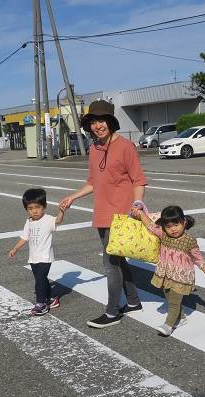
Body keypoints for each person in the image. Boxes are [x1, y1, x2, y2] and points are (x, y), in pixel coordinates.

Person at [59, 99, 147, 328]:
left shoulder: (126, 146)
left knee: (110, 263)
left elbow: (139, 180)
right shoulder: (94, 149)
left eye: (102, 121)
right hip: (102, 213)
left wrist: (137, 204)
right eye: (94, 122)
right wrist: (73, 196)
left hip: (121, 214)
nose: (98, 126)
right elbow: (93, 182)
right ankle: (134, 301)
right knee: (117, 260)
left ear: (110, 122)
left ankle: (112, 312)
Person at [131, 204, 205, 337]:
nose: (173, 229)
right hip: (166, 273)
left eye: (176, 225)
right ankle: (181, 318)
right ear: (164, 227)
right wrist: (141, 214)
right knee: (170, 298)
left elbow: (197, 256)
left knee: (174, 302)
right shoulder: (163, 234)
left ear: (184, 222)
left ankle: (168, 325)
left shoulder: (189, 241)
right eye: (168, 226)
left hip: (181, 276)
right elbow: (150, 226)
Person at [9, 188, 64, 316]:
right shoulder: (29, 221)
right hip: (33, 258)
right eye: (30, 208)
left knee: (39, 280)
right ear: (26, 209)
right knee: (42, 280)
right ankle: (50, 299)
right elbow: (24, 237)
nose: (34, 211)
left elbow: (58, 221)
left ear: (44, 206)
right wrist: (15, 248)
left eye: (37, 207)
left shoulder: (48, 219)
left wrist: (61, 211)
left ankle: (41, 304)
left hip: (45, 257)